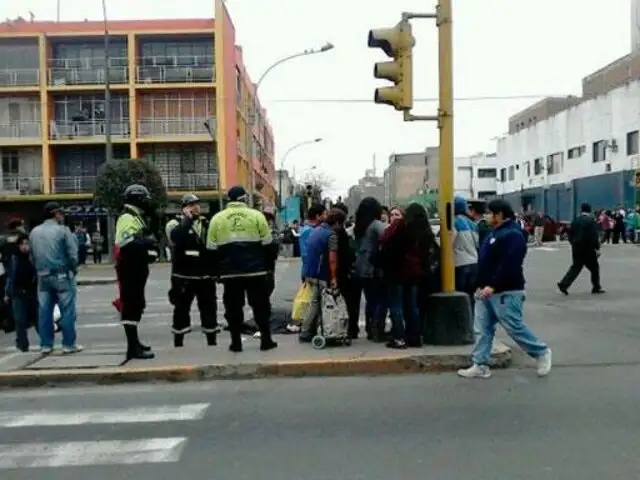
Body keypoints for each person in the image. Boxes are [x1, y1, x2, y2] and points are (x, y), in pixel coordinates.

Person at [458, 199, 552, 379]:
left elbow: (510, 264)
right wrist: (479, 286)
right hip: (485, 291)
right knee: (482, 328)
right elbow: (485, 262)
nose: (486, 216)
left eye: (489, 213)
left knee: (513, 326)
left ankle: (541, 352)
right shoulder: (495, 233)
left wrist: (493, 285)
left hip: (506, 290)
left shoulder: (513, 235)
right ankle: (480, 364)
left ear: (499, 215)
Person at [206, 185, 278, 353]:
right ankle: (266, 340)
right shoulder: (256, 216)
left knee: (233, 308)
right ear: (244, 199)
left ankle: (236, 343)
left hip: (230, 274)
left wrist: (216, 273)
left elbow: (210, 250)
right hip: (256, 272)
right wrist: (268, 268)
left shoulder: (217, 219)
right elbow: (268, 245)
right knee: (260, 306)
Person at [378, 203, 436, 348]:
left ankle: (399, 338)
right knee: (412, 306)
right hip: (414, 274)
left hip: (397, 272)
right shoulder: (426, 232)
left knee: (396, 306)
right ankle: (414, 337)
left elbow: (388, 250)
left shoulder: (401, 229)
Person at [165, 193, 218, 348]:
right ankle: (179, 342)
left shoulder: (205, 223)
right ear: (184, 208)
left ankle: (211, 340)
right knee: (181, 309)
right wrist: (187, 220)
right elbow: (176, 239)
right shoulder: (174, 224)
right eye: (191, 205)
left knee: (209, 308)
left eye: (197, 204)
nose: (196, 207)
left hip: (204, 275)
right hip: (183, 275)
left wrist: (215, 271)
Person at [29, 202, 82, 354]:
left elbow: (32, 257)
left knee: (44, 311)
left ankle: (46, 345)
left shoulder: (34, 232)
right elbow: (73, 255)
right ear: (55, 213)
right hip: (62, 274)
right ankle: (68, 344)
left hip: (42, 275)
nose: (62, 216)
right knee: (67, 310)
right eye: (61, 213)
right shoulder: (63, 230)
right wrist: (73, 268)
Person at [115, 184, 159, 360]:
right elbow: (125, 241)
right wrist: (147, 241)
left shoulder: (136, 216)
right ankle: (132, 348)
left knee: (137, 304)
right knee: (131, 305)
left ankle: (135, 343)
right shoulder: (127, 217)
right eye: (144, 199)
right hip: (130, 268)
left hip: (136, 267)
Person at [299, 208, 345, 343]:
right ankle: (310, 331)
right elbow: (332, 259)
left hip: (309, 272)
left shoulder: (316, 230)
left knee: (315, 302)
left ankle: (308, 330)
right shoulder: (331, 235)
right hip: (321, 274)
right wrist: (334, 277)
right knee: (320, 304)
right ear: (336, 222)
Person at [353, 197, 387, 341]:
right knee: (379, 300)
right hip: (375, 268)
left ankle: (369, 328)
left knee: (370, 300)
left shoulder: (359, 226)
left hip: (361, 268)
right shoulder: (376, 224)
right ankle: (376, 328)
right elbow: (387, 238)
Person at [557, 202, 604, 295]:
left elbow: (570, 235)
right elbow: (593, 236)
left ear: (581, 210)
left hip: (576, 248)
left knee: (576, 267)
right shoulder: (591, 221)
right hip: (588, 249)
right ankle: (596, 287)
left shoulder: (575, 220)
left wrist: (573, 244)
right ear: (589, 210)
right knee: (594, 268)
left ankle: (563, 284)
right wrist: (597, 248)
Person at [4, 233, 37, 352]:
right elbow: (11, 276)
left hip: (32, 292)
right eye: (22, 244)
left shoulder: (33, 257)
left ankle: (45, 342)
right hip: (18, 292)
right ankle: (23, 344)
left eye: (27, 244)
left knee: (37, 318)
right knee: (20, 320)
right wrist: (7, 293)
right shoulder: (15, 258)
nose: (24, 246)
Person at [452, 196, 479, 304]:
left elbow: (447, 242)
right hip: (474, 263)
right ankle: (470, 319)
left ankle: (461, 320)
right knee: (470, 297)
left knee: (460, 297)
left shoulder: (454, 222)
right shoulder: (472, 224)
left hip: (460, 263)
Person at [299, 204, 326, 272]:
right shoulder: (308, 230)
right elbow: (306, 255)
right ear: (318, 216)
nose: (326, 217)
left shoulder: (314, 229)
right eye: (325, 214)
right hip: (312, 272)